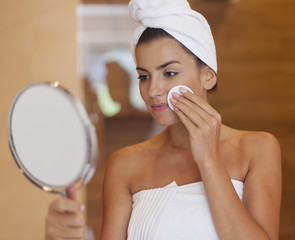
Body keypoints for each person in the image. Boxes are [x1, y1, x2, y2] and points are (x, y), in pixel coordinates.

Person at [45, 0, 282, 239]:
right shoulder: (125, 164)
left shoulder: (257, 149)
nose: (153, 90)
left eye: (169, 73)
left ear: (208, 76)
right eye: (144, 76)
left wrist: (208, 159)